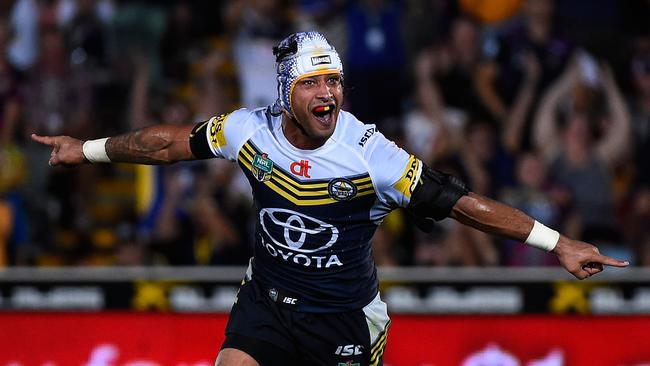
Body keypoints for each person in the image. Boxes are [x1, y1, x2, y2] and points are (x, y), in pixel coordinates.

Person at [32, 31, 628, 366]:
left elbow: (464, 204)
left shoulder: (372, 153)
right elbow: (166, 145)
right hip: (266, 302)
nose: (327, 93)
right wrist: (85, 150)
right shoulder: (248, 129)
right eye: (313, 82)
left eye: (334, 81)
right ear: (287, 90)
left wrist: (559, 243)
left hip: (342, 320)